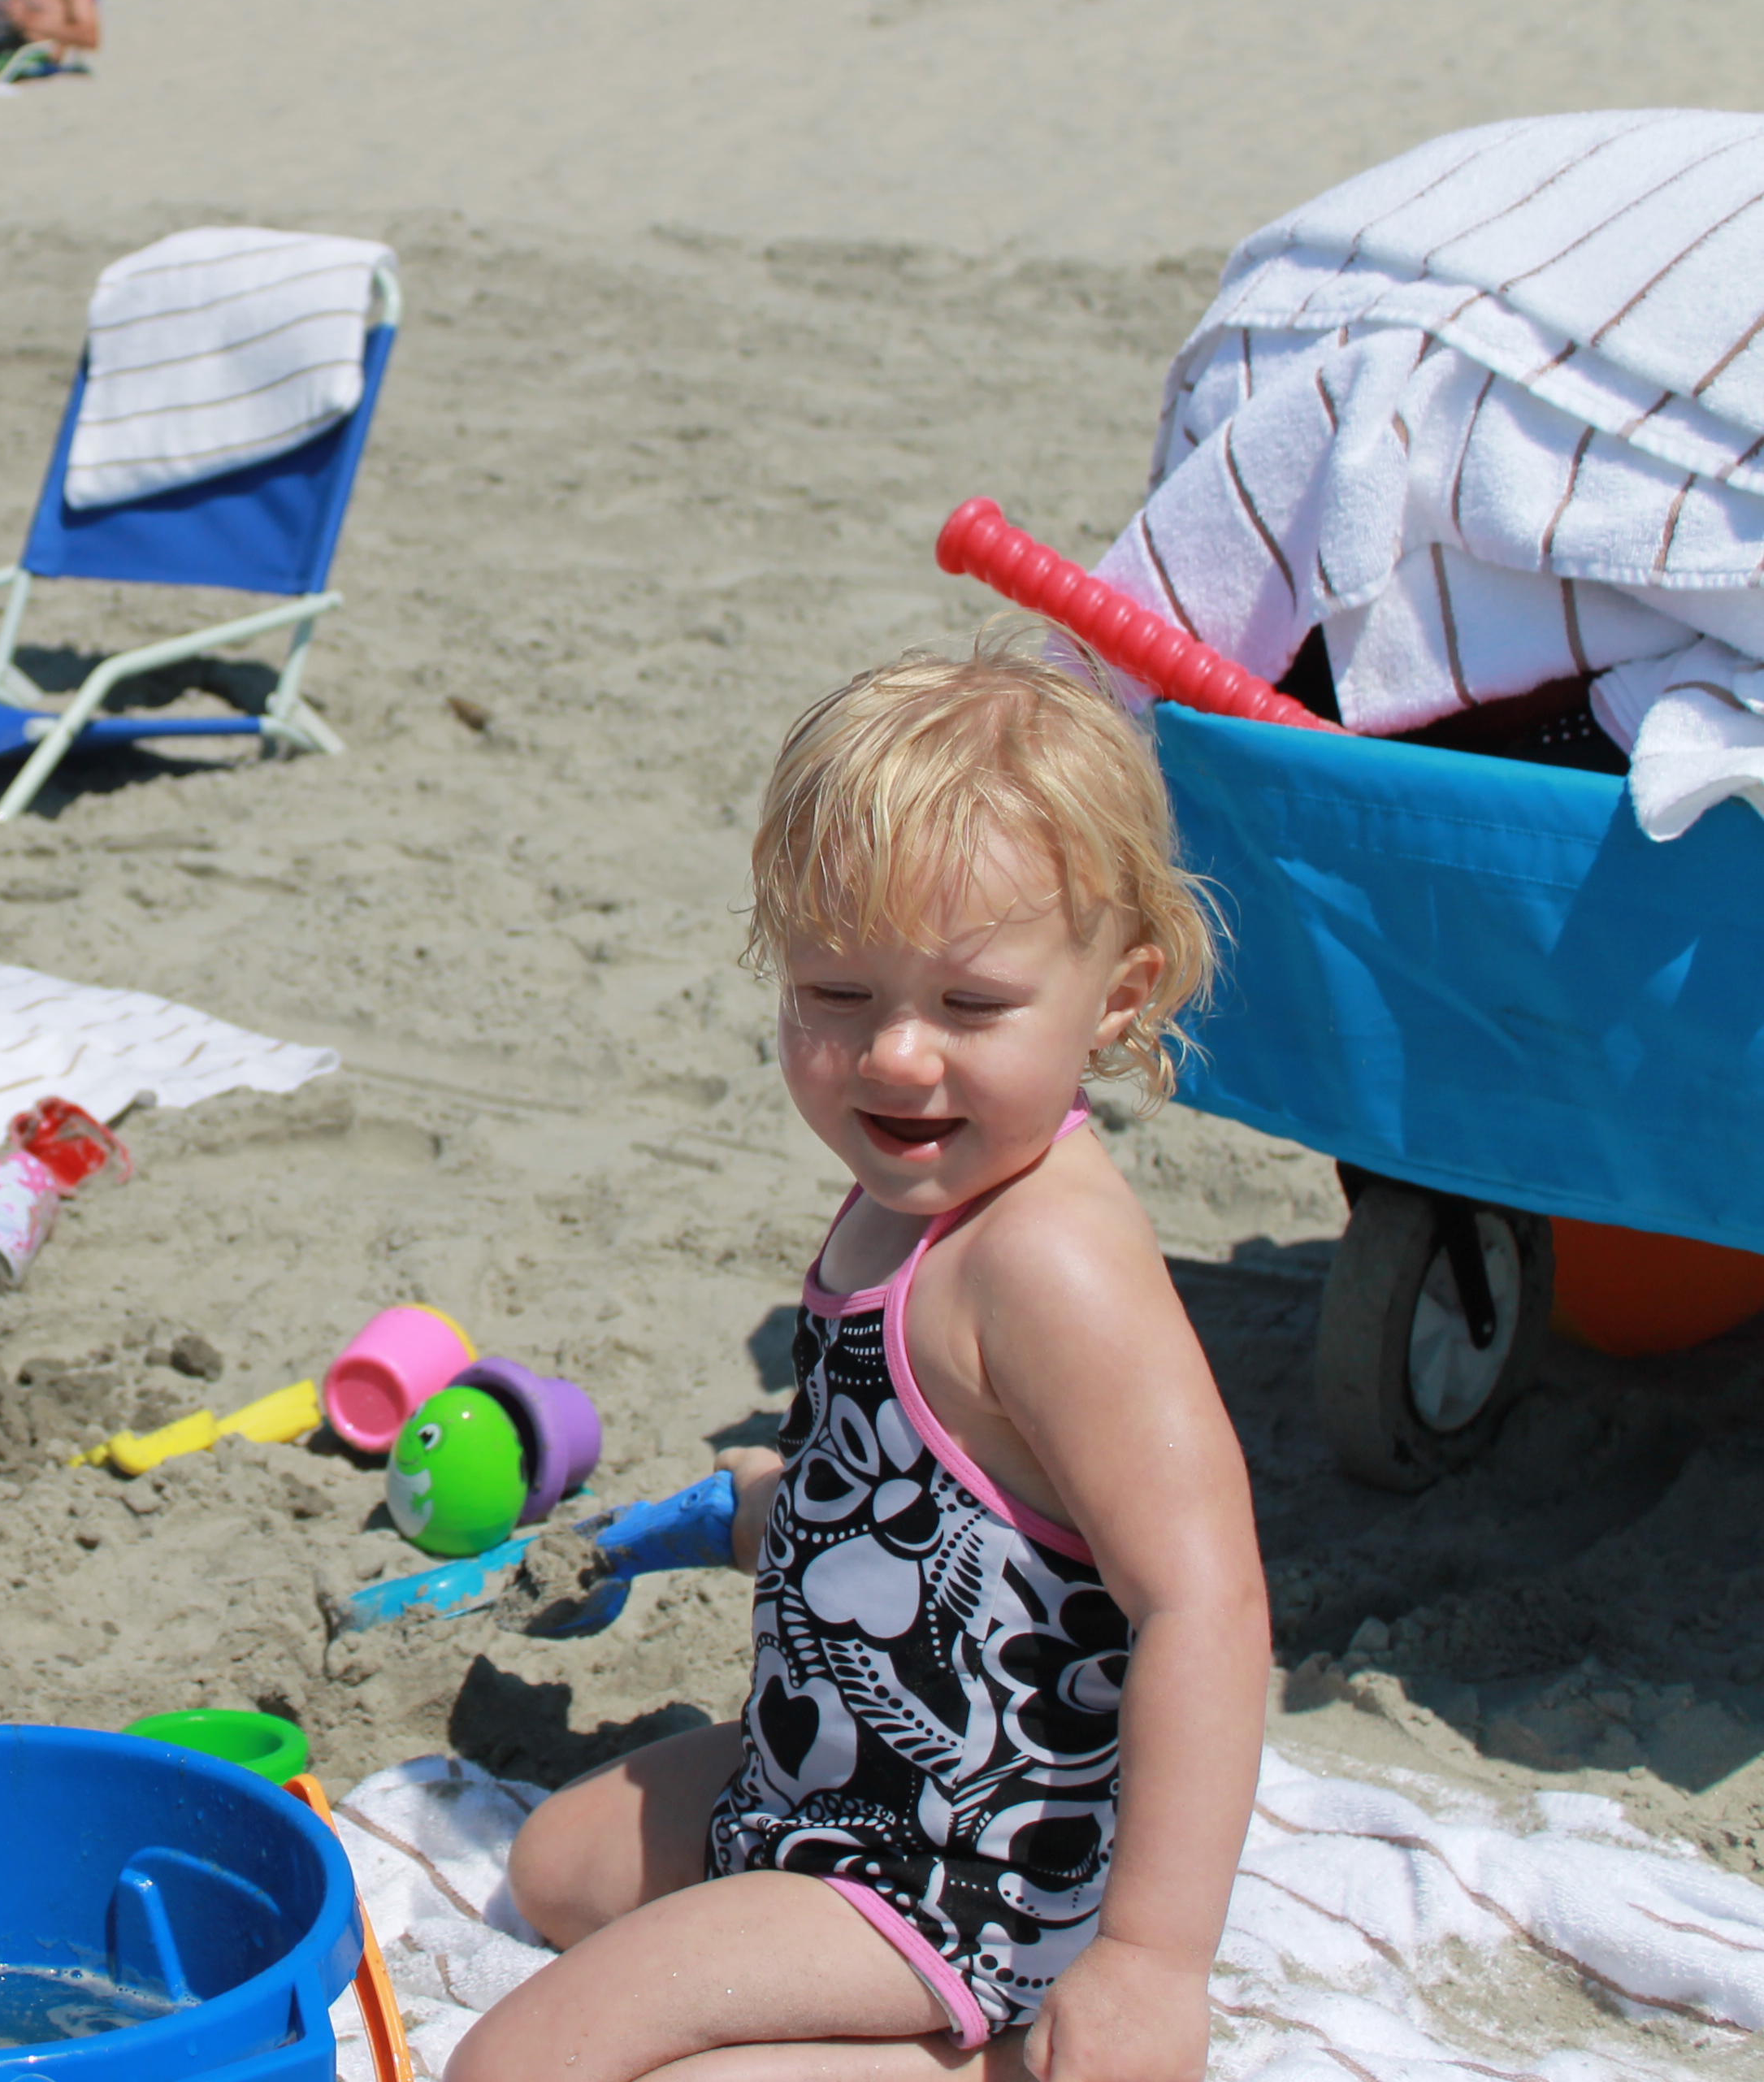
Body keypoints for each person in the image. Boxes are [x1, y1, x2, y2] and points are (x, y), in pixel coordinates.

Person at [448, 641, 1267, 2082]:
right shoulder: (914, 1186)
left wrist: (1153, 1958)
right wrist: (758, 1506)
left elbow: (1203, 1597)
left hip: (972, 1855)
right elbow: (948, 1491)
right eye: (835, 992)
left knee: (520, 2068)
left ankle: (995, 2050)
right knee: (559, 1865)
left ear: (1116, 997)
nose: (894, 1056)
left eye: (970, 1007)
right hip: (831, 1769)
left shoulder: (1050, 1261)